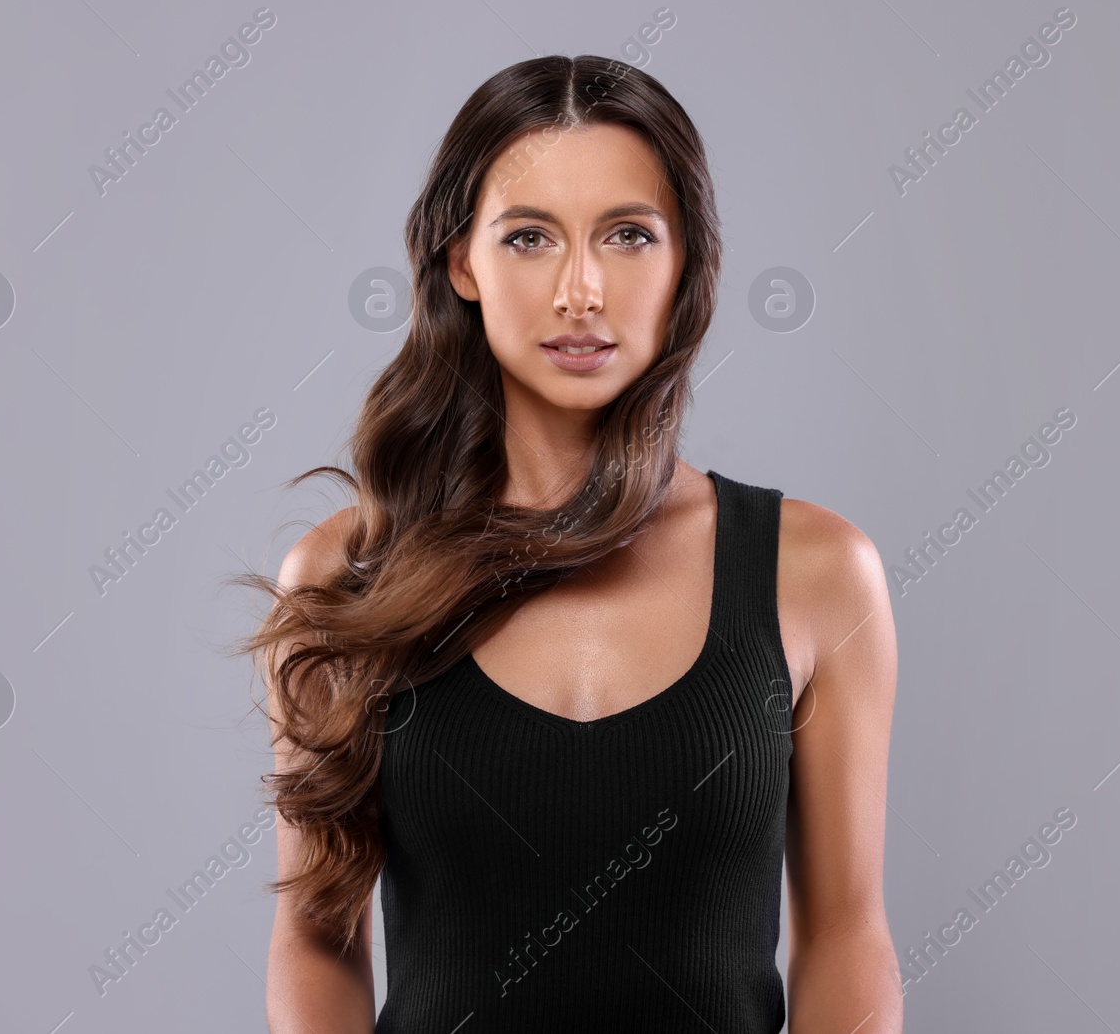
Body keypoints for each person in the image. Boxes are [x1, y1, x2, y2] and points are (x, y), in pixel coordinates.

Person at [236, 54, 901, 1033]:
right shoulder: (345, 573)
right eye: (531, 237)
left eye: (628, 235)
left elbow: (844, 934)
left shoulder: (817, 573)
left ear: (684, 263)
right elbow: (314, 934)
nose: (581, 290)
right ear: (461, 261)